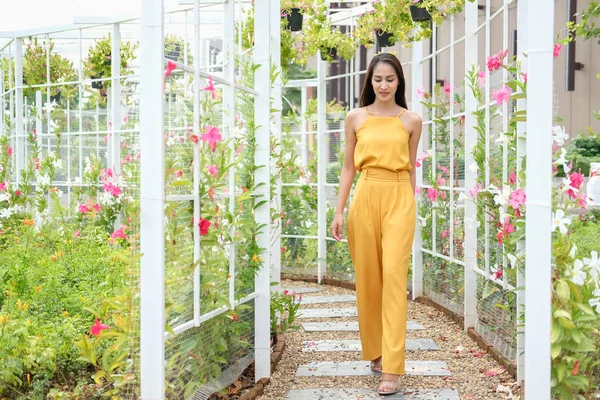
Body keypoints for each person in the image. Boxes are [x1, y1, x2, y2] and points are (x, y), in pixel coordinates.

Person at [330, 52, 421, 396]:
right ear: (369, 81)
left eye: (390, 79)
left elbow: (411, 168)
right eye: (377, 79)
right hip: (365, 195)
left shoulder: (412, 120)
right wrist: (339, 211)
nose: (384, 85)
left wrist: (409, 207)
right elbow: (348, 169)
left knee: (395, 279)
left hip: (399, 197)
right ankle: (376, 352)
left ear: (399, 82)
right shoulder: (356, 118)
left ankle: (393, 368)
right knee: (369, 280)